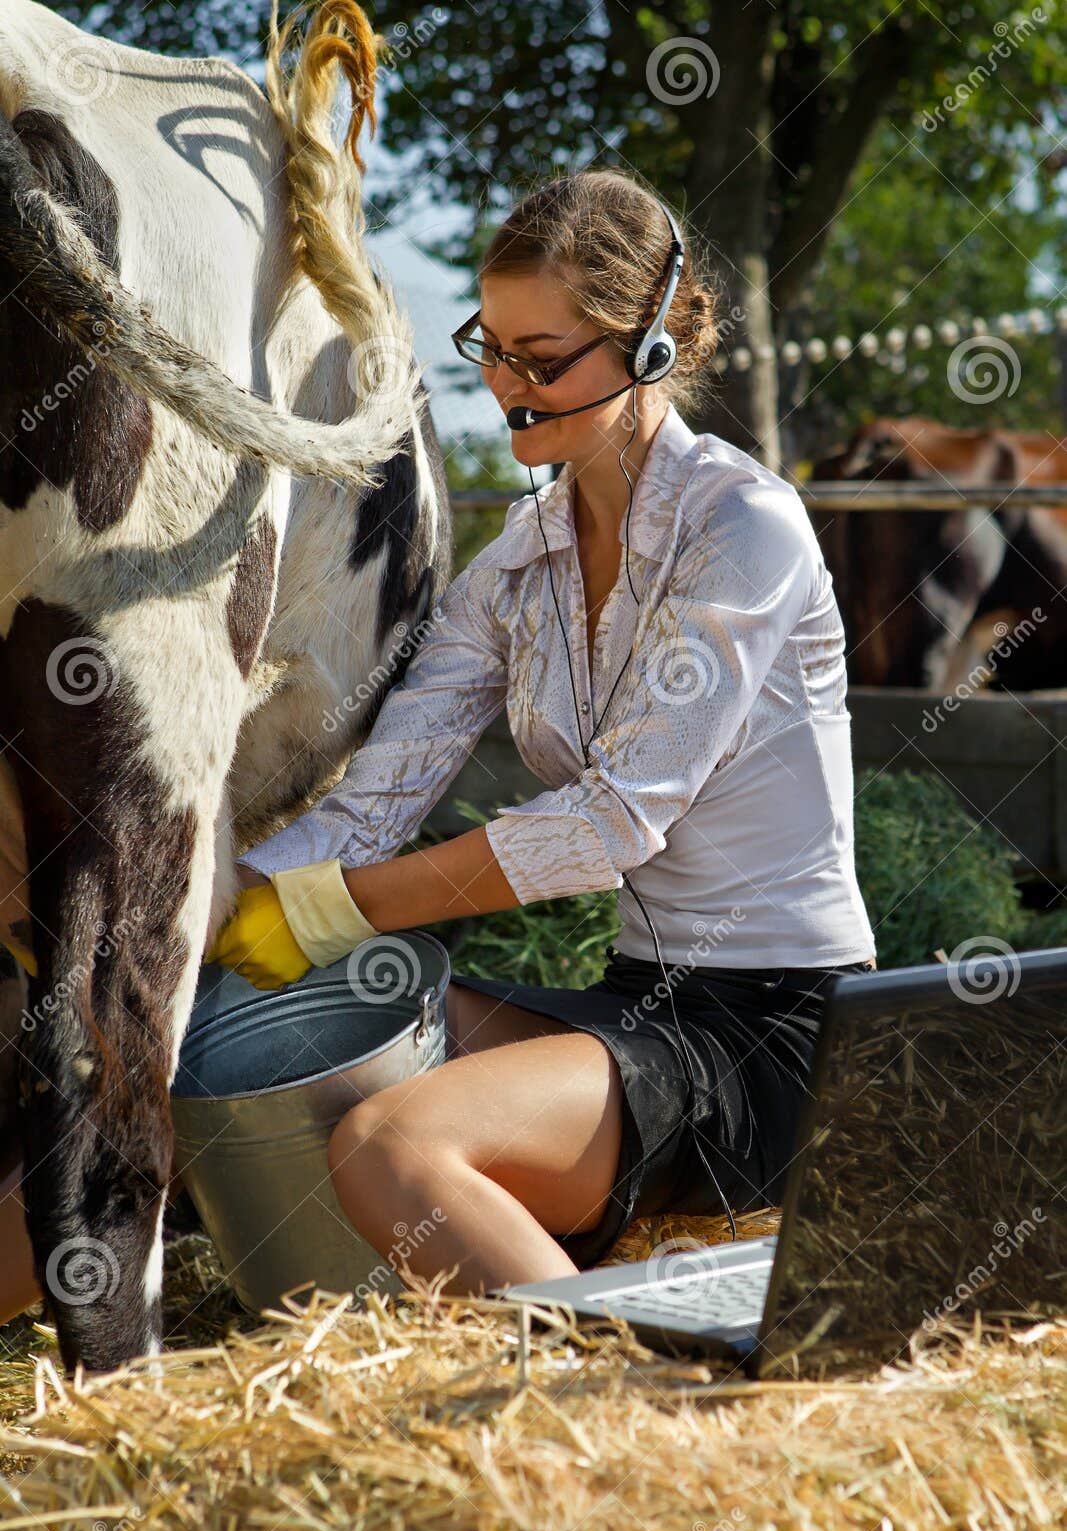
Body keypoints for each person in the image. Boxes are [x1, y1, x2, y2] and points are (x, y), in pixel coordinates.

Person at [0, 168, 876, 1325]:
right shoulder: (519, 559)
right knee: (177, 1047)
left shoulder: (741, 526)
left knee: (390, 1144)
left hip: (776, 1036)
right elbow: (372, 805)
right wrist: (181, 925)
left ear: (650, 348)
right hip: (637, 1007)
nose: (506, 387)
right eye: (490, 346)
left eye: (543, 357)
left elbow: (606, 828)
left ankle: (632, 1419)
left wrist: (335, 909)